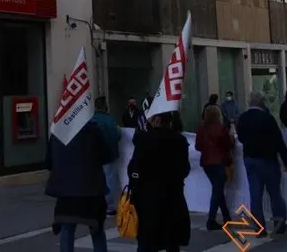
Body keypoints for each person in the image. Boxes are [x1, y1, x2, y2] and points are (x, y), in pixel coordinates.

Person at [46, 115, 112, 252]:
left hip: (66, 191)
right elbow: (107, 156)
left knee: (67, 230)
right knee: (97, 231)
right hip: (91, 190)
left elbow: (49, 162)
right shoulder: (94, 131)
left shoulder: (58, 132)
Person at [130, 112, 190, 252]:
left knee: (146, 242)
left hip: (148, 198)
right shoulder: (179, 140)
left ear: (157, 120)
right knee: (172, 242)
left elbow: (134, 169)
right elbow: (185, 170)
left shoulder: (143, 140)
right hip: (172, 197)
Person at [236, 91, 287, 236]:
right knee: (275, 193)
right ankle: (279, 225)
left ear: (249, 103)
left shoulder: (242, 118)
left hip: (250, 159)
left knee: (255, 194)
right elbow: (278, 140)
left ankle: (259, 227)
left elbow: (240, 137)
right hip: (268, 159)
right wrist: (285, 160)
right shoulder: (268, 118)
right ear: (262, 103)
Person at [195, 105, 233, 230]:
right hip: (219, 161)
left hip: (206, 162)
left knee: (218, 190)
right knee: (217, 191)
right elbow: (228, 145)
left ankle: (226, 217)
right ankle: (211, 219)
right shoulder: (221, 129)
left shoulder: (201, 129)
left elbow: (197, 146)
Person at [91, 96, 121, 215]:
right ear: (105, 106)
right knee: (109, 180)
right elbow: (117, 135)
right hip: (110, 154)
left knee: (96, 180)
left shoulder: (92, 120)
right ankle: (109, 206)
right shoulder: (110, 120)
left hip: (95, 156)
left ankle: (96, 204)